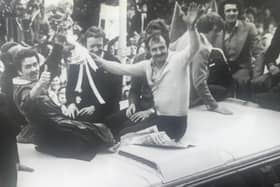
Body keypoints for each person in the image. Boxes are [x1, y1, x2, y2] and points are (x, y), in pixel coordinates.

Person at [92, 3, 201, 141]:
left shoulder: (178, 60)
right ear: (149, 50)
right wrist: (101, 62)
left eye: (162, 48)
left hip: (176, 125)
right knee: (120, 131)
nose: (159, 52)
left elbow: (194, 48)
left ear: (167, 45)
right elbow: (121, 69)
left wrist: (192, 27)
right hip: (159, 119)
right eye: (154, 49)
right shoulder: (146, 65)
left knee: (124, 136)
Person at [12, 48, 115, 161]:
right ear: (19, 71)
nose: (34, 69)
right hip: (51, 133)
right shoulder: (22, 89)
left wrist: (58, 45)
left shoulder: (33, 82)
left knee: (100, 128)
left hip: (57, 126)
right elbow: (26, 104)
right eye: (28, 66)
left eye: (35, 64)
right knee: (95, 132)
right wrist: (39, 85)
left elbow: (52, 65)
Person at [66, 26, 122, 123]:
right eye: (92, 46)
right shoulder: (77, 62)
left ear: (104, 43)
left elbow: (116, 95)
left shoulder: (113, 62)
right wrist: (71, 104)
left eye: (99, 45)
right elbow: (70, 87)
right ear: (85, 45)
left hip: (106, 111)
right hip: (82, 110)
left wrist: (95, 107)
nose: (96, 49)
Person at [216, 0, 264, 100]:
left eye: (235, 10)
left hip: (242, 70)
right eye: (228, 11)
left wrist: (256, 77)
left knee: (241, 92)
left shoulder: (249, 27)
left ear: (239, 12)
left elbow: (259, 53)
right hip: (222, 72)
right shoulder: (218, 29)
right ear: (223, 13)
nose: (232, 13)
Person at [190, 12, 232, 115]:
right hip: (187, 99)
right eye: (216, 31)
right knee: (223, 91)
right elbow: (199, 82)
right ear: (211, 30)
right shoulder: (202, 48)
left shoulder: (190, 36)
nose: (218, 35)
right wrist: (215, 106)